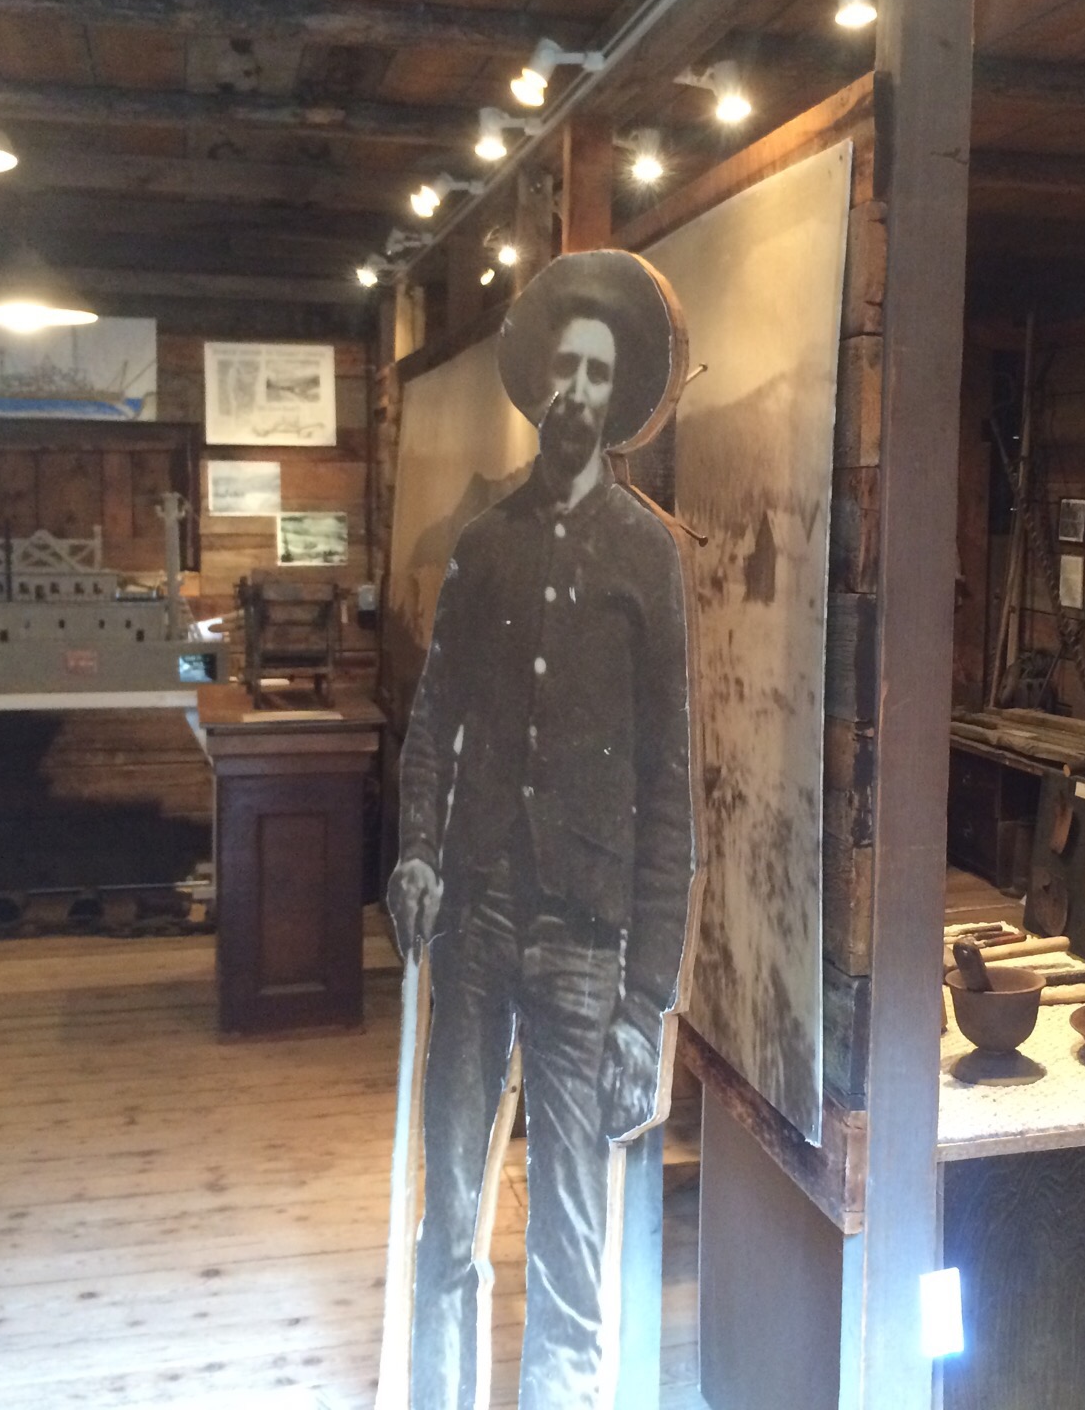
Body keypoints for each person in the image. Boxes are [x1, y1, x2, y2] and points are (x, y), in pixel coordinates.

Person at [386, 252, 694, 1410]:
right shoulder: (484, 545)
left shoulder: (649, 555)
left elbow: (669, 789)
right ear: (538, 387)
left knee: (572, 1249)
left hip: (584, 946)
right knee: (449, 1220)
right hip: (472, 926)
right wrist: (417, 845)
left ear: (615, 401)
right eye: (561, 366)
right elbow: (431, 726)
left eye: (596, 373)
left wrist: (643, 1007)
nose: (575, 389)